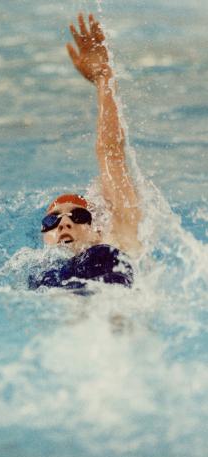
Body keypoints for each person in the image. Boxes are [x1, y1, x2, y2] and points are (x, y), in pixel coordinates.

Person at [29, 13, 141, 292]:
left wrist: (104, 78)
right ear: (44, 237)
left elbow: (110, 152)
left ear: (98, 227)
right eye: (51, 221)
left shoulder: (118, 240)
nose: (64, 221)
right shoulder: (42, 273)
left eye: (79, 216)